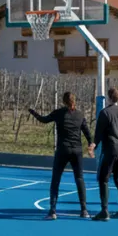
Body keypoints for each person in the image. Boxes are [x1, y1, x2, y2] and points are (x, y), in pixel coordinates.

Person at [30, 91, 93, 220]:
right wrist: (91, 144)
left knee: (56, 179)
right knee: (79, 179)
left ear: (63, 101)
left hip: (63, 150)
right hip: (77, 150)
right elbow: (87, 132)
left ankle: (52, 210)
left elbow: (44, 119)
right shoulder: (80, 115)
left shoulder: (58, 113)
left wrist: (33, 112)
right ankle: (84, 210)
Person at [91, 87, 118, 220]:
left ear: (108, 98)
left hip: (111, 148)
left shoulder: (105, 113)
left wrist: (94, 145)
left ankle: (104, 210)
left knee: (103, 179)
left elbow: (99, 133)